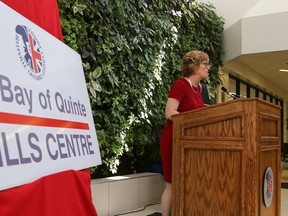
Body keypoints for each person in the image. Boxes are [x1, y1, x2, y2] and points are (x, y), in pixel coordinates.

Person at [160, 50, 211, 216]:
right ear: (194, 66)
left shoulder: (199, 88)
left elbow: (198, 112)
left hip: (189, 141)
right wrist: (190, 118)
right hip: (173, 140)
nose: (208, 67)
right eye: (205, 64)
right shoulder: (181, 85)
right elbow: (169, 112)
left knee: (187, 181)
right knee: (172, 183)